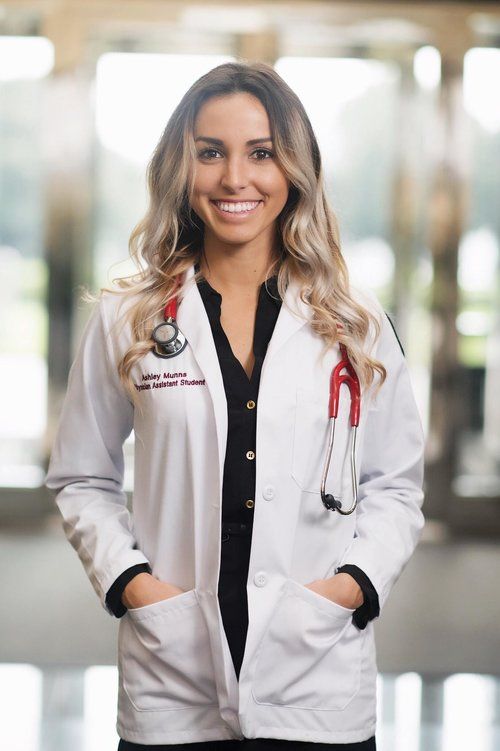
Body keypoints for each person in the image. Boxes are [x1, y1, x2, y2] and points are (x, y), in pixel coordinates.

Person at [45, 61, 425, 751]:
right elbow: (81, 475)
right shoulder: (128, 317)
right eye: (209, 153)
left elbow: (394, 485)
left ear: (295, 168)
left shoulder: (355, 321)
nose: (234, 179)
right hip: (172, 674)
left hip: (317, 675)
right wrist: (130, 583)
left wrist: (353, 586)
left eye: (261, 153)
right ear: (180, 169)